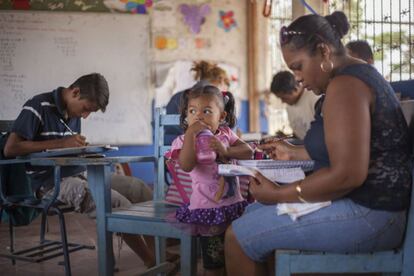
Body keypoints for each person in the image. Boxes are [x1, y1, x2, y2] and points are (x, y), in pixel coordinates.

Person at [225, 11, 412, 276]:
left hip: (371, 214)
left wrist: (279, 194)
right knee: (252, 213)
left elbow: (347, 175)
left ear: (324, 51)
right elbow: (351, 149)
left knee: (237, 237)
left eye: (298, 67)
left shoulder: (346, 85)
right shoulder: (355, 76)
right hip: (371, 206)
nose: (297, 78)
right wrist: (295, 153)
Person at [3, 73, 157, 268]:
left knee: (139, 188)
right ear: (75, 92)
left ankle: (158, 252)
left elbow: (65, 149)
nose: (85, 116)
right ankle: (151, 261)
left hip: (80, 174)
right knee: (115, 202)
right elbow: (11, 148)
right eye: (86, 109)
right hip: (50, 183)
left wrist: (86, 151)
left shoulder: (73, 113)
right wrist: (61, 143)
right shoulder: (37, 106)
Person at [169, 81, 253, 275]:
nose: (198, 116)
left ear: (221, 116)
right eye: (192, 111)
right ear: (186, 116)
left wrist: (226, 150)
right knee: (213, 262)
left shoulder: (225, 134)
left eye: (206, 111)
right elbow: (186, 165)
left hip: (234, 206)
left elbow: (247, 151)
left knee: (234, 256)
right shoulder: (182, 141)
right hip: (208, 210)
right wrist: (191, 134)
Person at [164, 60, 230, 145]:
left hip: (168, 145)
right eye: (227, 85)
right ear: (221, 81)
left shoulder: (178, 96)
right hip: (194, 146)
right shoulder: (210, 98)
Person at [270, 70, 320, 140]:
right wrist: (285, 137)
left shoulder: (313, 98)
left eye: (284, 98)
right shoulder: (290, 106)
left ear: (295, 89)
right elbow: (301, 135)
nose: (283, 101)